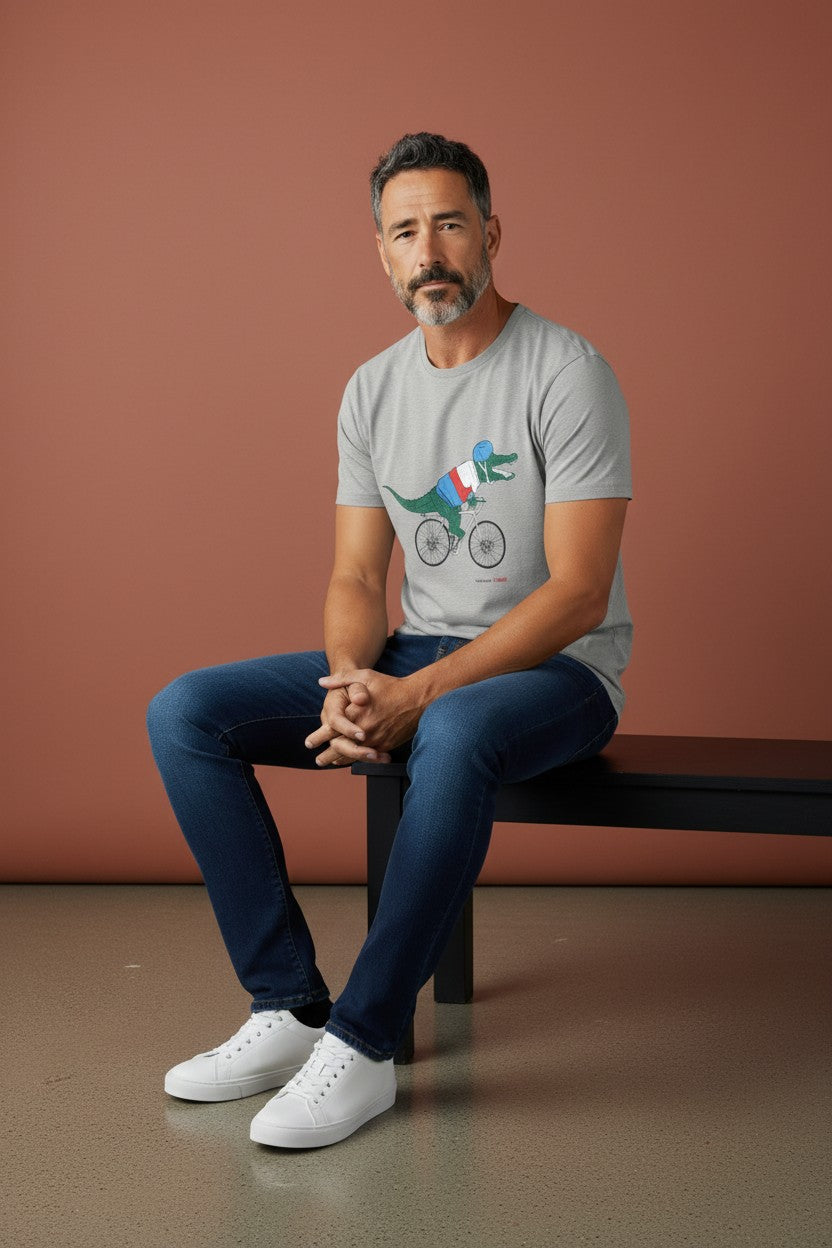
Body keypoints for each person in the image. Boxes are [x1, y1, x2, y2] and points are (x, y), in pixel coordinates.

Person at [147, 132, 632, 1150]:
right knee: (186, 711)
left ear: (490, 232)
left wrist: (418, 697)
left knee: (450, 734)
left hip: (556, 674)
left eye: (449, 223)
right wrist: (349, 680)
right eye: (405, 231)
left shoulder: (566, 369)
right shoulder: (371, 388)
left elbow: (580, 594)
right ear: (381, 252)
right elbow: (358, 575)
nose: (430, 251)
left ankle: (363, 1047)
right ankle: (288, 1008)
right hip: (424, 657)